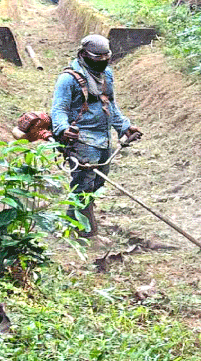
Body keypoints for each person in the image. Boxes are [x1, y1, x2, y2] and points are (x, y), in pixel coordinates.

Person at [51, 34, 141, 237]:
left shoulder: (107, 75)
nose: (101, 63)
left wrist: (124, 127)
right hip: (82, 141)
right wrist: (63, 130)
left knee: (96, 186)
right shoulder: (68, 79)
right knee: (83, 185)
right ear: (83, 54)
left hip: (104, 140)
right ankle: (84, 232)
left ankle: (74, 223)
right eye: (96, 59)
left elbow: (111, 105)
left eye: (105, 58)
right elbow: (59, 109)